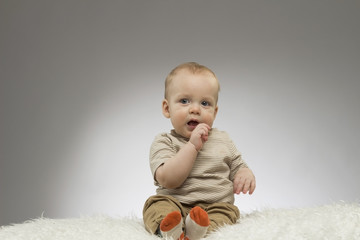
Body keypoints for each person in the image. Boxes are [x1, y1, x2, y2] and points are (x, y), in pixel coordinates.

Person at [143, 62, 256, 240]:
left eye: (205, 103)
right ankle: (171, 229)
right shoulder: (165, 142)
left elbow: (237, 164)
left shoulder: (223, 139)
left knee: (227, 214)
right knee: (155, 206)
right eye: (184, 101)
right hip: (175, 204)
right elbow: (168, 179)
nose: (195, 109)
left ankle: (198, 230)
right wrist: (192, 146)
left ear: (215, 112)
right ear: (167, 108)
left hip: (216, 206)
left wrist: (245, 173)